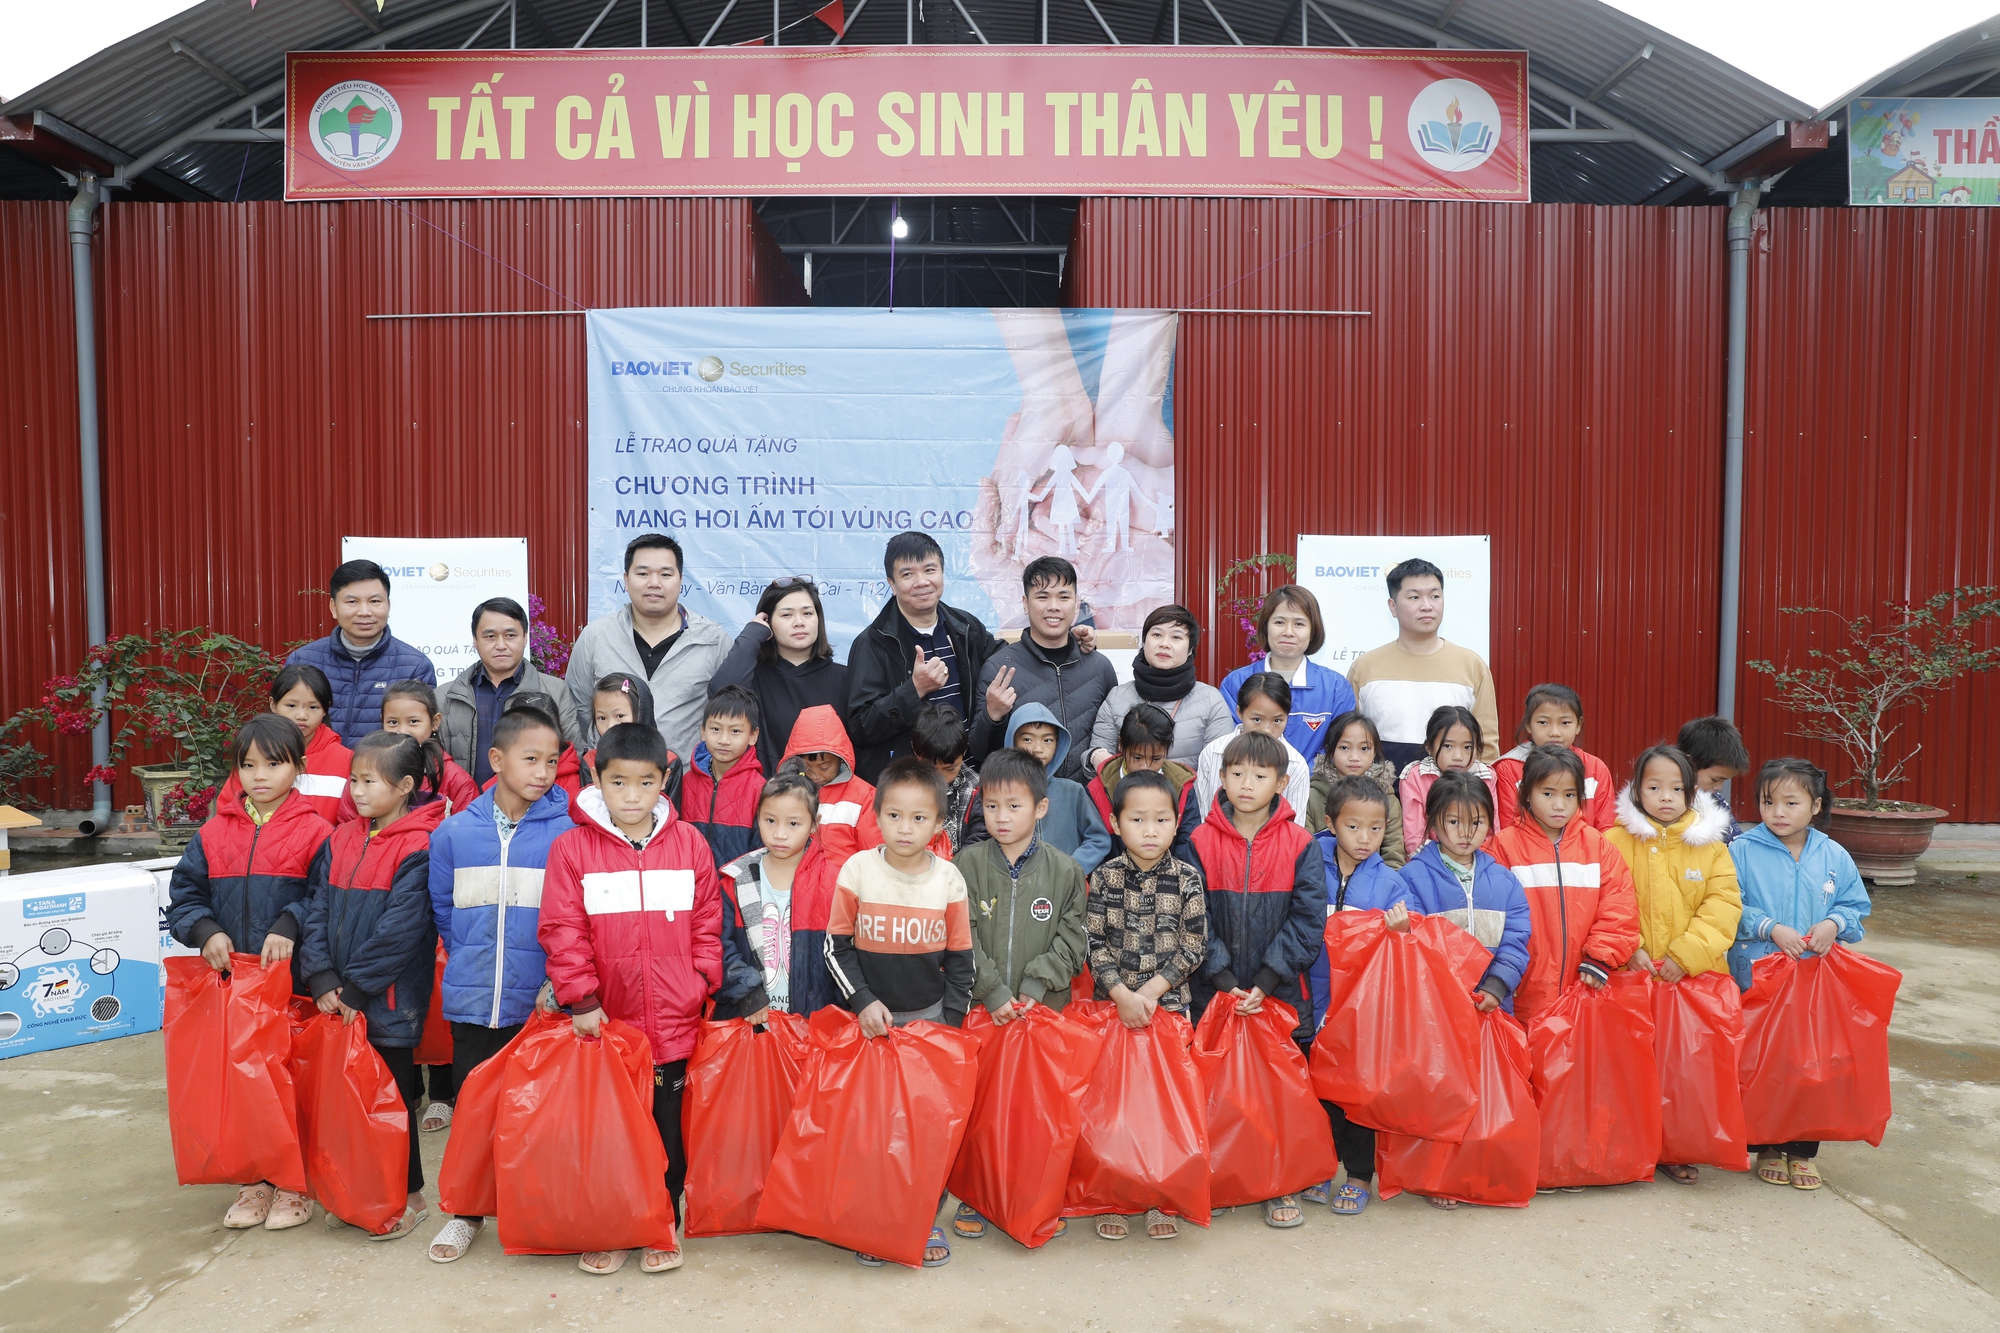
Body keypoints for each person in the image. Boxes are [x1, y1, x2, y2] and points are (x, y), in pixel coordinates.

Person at [539, 722, 723, 1276]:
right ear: (598, 779)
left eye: (645, 784)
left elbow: (708, 921)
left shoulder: (689, 842)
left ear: (664, 780)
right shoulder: (572, 849)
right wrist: (582, 999)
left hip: (673, 1020)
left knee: (667, 1124)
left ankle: (660, 1221)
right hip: (607, 1020)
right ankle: (615, 1223)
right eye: (619, 783)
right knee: (612, 1127)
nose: (632, 797)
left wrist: (701, 981)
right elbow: (561, 929)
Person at [165, 714, 334, 1233]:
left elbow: (325, 896)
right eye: (248, 765)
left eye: (274, 764)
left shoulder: (318, 831)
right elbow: (185, 895)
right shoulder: (213, 833)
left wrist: (289, 923)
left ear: (299, 768)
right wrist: (206, 930)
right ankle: (257, 1178)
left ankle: (295, 1183)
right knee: (243, 1082)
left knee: (288, 1079)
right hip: (232, 986)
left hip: (292, 982)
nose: (260, 776)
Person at [423, 706, 572, 1263]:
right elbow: (443, 911)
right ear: (496, 759)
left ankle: (534, 1210)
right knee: (473, 1112)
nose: (542, 771)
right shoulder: (455, 833)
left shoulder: (568, 833)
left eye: (552, 761)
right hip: (471, 999)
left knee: (538, 1115)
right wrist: (469, 961)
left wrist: (558, 983)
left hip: (538, 1004)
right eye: (530, 759)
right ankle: (466, 1214)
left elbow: (573, 921)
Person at [823, 757, 975, 1268]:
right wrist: (863, 1003)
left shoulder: (949, 880)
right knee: (871, 1130)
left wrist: (949, 1029)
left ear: (938, 824)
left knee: (923, 1130)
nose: (905, 828)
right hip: (870, 1029)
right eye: (894, 816)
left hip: (929, 1026)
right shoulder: (858, 870)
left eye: (918, 818)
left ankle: (921, 1218)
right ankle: (875, 1220)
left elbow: (961, 961)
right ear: (877, 817)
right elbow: (835, 949)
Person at [299, 731, 447, 1242]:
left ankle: (410, 1197)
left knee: (394, 1104)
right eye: (353, 780)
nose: (357, 791)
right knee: (349, 1101)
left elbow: (401, 932)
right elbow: (316, 908)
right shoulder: (341, 838)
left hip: (386, 1003)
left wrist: (356, 990)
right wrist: (320, 976)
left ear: (405, 786)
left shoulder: (421, 846)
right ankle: (360, 1191)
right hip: (338, 997)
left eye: (369, 781)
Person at [950, 748, 1090, 1243]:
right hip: (982, 1012)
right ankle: (975, 1194)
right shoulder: (965, 864)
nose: (1001, 817)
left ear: (1041, 808)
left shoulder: (1066, 871)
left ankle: (1037, 1193)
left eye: (1013, 806)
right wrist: (991, 990)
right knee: (982, 1109)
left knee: (1036, 1111)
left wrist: (1035, 985)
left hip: (1041, 1014)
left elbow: (1075, 939)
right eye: (991, 806)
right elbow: (959, 936)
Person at [1189, 729, 1325, 1230]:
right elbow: (1193, 915)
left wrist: (1267, 981)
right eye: (1237, 773)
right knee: (1216, 1092)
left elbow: (1309, 920)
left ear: (1282, 783)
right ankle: (1220, 1178)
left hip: (1277, 991)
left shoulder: (1300, 843)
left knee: (1276, 1095)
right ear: (1221, 778)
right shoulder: (1199, 842)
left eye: (1260, 775)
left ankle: (1278, 1184)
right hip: (1215, 990)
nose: (1247, 784)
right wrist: (1223, 979)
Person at [1726, 757, 1871, 1193]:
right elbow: (1727, 905)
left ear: (1816, 805)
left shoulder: (1833, 854)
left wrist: (1834, 925)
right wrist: (1769, 927)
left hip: (1814, 981)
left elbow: (1854, 907)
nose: (1779, 812)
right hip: (1759, 977)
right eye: (1769, 802)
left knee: (1813, 1064)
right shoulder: (1742, 850)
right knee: (1764, 1061)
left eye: (1791, 802)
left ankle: (1803, 1150)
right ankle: (1767, 1144)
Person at [1602, 744, 1742, 1187]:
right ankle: (1628, 1147)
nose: (1666, 796)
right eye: (1654, 786)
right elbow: (1608, 900)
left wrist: (1687, 955)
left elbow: (1724, 904)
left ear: (1691, 791)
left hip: (1691, 979)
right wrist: (1630, 948)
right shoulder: (1612, 842)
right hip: (1633, 975)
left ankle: (1676, 1146)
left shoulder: (1711, 847)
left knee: (1684, 1070)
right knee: (1629, 1066)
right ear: (1637, 789)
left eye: (1676, 788)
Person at [1086, 769, 1209, 1242]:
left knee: (1163, 1112)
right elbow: (1092, 942)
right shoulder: (1106, 877)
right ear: (1116, 823)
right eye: (1138, 819)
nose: (1151, 830)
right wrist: (1120, 994)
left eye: (1161, 819)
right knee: (1114, 1112)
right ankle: (1114, 1194)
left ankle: (1162, 1197)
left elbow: (1194, 945)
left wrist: (1152, 993)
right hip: (1113, 1013)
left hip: (1169, 1012)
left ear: (1177, 825)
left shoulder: (1187, 879)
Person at [1487, 745, 1641, 1030]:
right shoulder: (1502, 847)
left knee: (1574, 1069)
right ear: (1527, 795)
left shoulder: (1597, 846)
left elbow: (1619, 906)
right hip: (1521, 992)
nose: (1560, 805)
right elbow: (1492, 915)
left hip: (1584, 988)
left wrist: (1601, 956)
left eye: (1569, 795)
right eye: (1548, 794)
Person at [1306, 775, 1404, 1218]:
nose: (1365, 839)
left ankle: (1360, 1173)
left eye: (1376, 828)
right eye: (1353, 827)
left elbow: (1408, 950)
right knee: (1315, 1091)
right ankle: (1321, 1165)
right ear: (1330, 824)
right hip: (1310, 997)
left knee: (1357, 1092)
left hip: (1363, 1009)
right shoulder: (1308, 867)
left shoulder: (1391, 884)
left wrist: (1402, 930)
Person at [1362, 771, 1530, 1018]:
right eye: (1454, 822)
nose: (1466, 833)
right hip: (1433, 1010)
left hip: (1492, 1008)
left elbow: (1516, 939)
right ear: (1431, 820)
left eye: (1476, 822)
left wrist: (1496, 986)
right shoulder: (1411, 878)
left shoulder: (1506, 881)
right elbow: (1415, 946)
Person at [846, 532, 1002, 781]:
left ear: (942, 573)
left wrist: (1069, 642)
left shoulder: (965, 626)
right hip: (909, 782)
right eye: (907, 574)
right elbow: (860, 727)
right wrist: (914, 690)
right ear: (892, 584)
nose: (922, 582)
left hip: (969, 777)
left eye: (930, 570)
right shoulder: (872, 643)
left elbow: (1005, 657)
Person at [566, 533, 728, 764]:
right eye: (642, 573)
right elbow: (580, 706)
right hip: (611, 781)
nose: (654, 582)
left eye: (665, 574)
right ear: (626, 579)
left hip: (684, 783)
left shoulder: (713, 640)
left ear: (681, 579)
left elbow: (727, 713)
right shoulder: (595, 637)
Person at [969, 556, 1117, 782]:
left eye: (1063, 597)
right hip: (1025, 802)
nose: (1054, 606)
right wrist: (993, 716)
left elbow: (1113, 740)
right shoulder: (999, 669)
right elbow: (980, 754)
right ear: (1025, 603)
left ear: (1076, 604)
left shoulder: (1100, 667)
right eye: (1043, 596)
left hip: (1088, 804)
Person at [1344, 559, 1499, 773]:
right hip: (1381, 798)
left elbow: (1486, 745)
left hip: (1449, 798)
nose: (1427, 605)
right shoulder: (1365, 667)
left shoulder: (1472, 665)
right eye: (1414, 597)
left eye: (1435, 596)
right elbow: (1349, 739)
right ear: (1393, 606)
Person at [715, 773, 841, 1021]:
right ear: (758, 817)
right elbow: (718, 944)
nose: (780, 834)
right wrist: (746, 991)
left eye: (793, 824)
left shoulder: (835, 881)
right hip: (751, 1019)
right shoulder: (736, 879)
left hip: (814, 1025)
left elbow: (847, 951)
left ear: (814, 823)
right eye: (770, 820)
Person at [286, 559, 438, 747]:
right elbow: (286, 729)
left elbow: (421, 740)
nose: (364, 612)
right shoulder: (303, 660)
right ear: (333, 607)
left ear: (388, 605)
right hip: (315, 772)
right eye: (352, 602)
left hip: (384, 774)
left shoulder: (415, 666)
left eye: (374, 601)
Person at [710, 577, 847, 776]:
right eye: (786, 615)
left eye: (808, 613)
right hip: (765, 797)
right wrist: (751, 636)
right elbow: (720, 696)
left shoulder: (845, 678)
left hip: (831, 801)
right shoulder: (751, 676)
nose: (799, 622)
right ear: (768, 623)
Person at [440, 597, 579, 788]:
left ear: (525, 638)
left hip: (535, 808)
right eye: (490, 636)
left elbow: (572, 756)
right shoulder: (446, 696)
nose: (501, 645)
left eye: (510, 635)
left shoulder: (555, 691)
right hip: (464, 810)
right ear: (475, 640)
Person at [960, 704, 1112, 874]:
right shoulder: (996, 792)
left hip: (1065, 888)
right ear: (1012, 740)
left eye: (1047, 740)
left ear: (1057, 745)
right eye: (1027, 739)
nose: (1037, 749)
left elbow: (1098, 839)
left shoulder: (1073, 792)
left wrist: (1072, 867)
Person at [1218, 586, 1355, 770]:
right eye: (1279, 622)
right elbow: (1229, 743)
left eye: (1299, 624)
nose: (1288, 632)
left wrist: (1301, 778)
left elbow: (1340, 749)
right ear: (1266, 627)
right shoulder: (1235, 683)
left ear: (1313, 630)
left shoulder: (1336, 688)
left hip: (1313, 793)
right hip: (1251, 789)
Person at [1085, 605, 1232, 771]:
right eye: (1156, 634)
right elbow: (1097, 750)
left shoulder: (1211, 701)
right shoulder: (1117, 697)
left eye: (1176, 637)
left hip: (1190, 797)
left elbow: (1218, 769)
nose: (1164, 644)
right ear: (1144, 641)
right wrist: (1097, 756)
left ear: (1190, 649)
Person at [1085, 704, 1202, 868]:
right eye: (1137, 757)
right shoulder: (1098, 789)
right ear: (1121, 744)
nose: (1145, 766)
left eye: (1156, 759)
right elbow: (1095, 843)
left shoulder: (1182, 786)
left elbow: (1187, 841)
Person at [1492, 685, 1617, 832]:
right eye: (1543, 722)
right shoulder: (1510, 768)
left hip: (1587, 854)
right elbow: (1509, 828)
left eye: (1565, 723)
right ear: (1528, 725)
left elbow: (1606, 829)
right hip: (1526, 854)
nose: (1554, 732)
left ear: (1578, 725)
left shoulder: (1595, 769)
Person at [1194, 673, 1310, 826]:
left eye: (1277, 720)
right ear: (1239, 712)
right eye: (1257, 719)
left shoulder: (1295, 765)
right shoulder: (1213, 753)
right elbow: (1204, 815)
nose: (1266, 729)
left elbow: (1295, 829)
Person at [776, 704, 881, 869]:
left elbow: (875, 854)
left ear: (841, 759)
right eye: (807, 767)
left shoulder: (865, 797)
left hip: (844, 888)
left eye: (824, 767)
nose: (816, 775)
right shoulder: (784, 792)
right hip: (795, 886)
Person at [681, 686, 766, 871]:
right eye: (716, 729)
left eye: (735, 731)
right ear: (703, 732)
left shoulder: (759, 789)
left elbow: (761, 853)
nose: (724, 740)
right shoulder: (686, 782)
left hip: (737, 892)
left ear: (753, 736)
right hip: (691, 888)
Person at [1305, 711, 1405, 866]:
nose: (1354, 757)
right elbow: (1305, 854)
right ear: (1330, 751)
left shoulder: (1388, 799)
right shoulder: (1312, 796)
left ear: (1374, 752)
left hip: (1372, 884)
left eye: (1364, 749)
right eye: (1344, 748)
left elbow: (1393, 857)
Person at [1397, 706, 1499, 858]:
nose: (1458, 756)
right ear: (1429, 746)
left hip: (1476, 862)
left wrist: (1478, 866)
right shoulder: (1415, 776)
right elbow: (1414, 839)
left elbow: (1492, 831)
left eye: (1467, 747)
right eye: (1448, 746)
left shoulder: (1485, 776)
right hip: (1429, 863)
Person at [379, 681, 479, 815]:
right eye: (393, 722)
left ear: (435, 722)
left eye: (413, 721)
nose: (402, 731)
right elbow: (350, 820)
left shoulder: (454, 779)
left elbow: (467, 829)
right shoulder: (371, 768)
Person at [269, 663, 352, 823]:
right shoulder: (254, 753)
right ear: (273, 705)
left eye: (313, 707)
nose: (302, 715)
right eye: (291, 706)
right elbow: (230, 811)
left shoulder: (347, 760)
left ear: (326, 709)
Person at [583, 673, 684, 801]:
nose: (610, 725)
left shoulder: (668, 761)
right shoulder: (591, 761)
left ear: (641, 713)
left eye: (619, 716)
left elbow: (671, 812)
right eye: (602, 718)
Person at [910, 703, 980, 855]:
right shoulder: (901, 788)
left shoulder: (977, 790)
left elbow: (979, 842)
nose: (940, 777)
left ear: (964, 751)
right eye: (932, 768)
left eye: (950, 769)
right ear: (915, 750)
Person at [1678, 715, 1753, 844]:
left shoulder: (1717, 803)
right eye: (1714, 779)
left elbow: (1735, 847)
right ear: (1689, 763)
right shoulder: (1663, 805)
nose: (1719, 787)